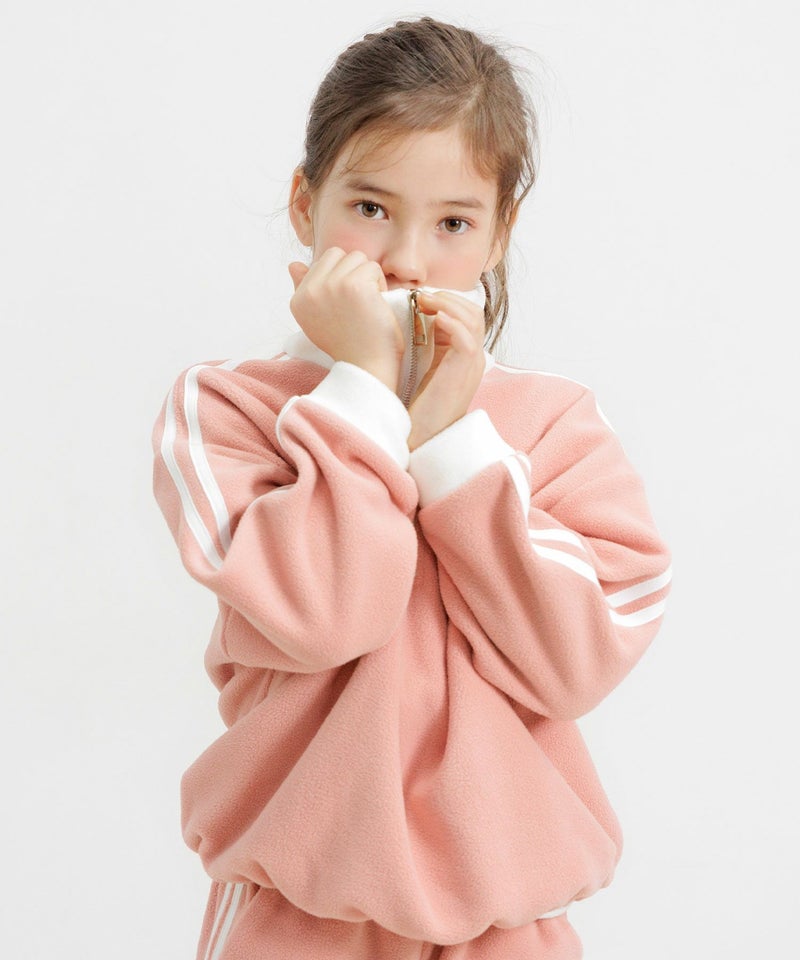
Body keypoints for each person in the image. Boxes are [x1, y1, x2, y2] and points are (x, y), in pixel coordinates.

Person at [152, 16, 671, 960]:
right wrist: (362, 388)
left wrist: (449, 445)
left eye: (454, 223)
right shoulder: (227, 410)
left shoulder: (552, 426)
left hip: (508, 926)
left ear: (500, 233)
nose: (407, 259)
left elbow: (576, 664)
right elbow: (325, 616)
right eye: (370, 207)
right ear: (306, 202)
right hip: (294, 917)